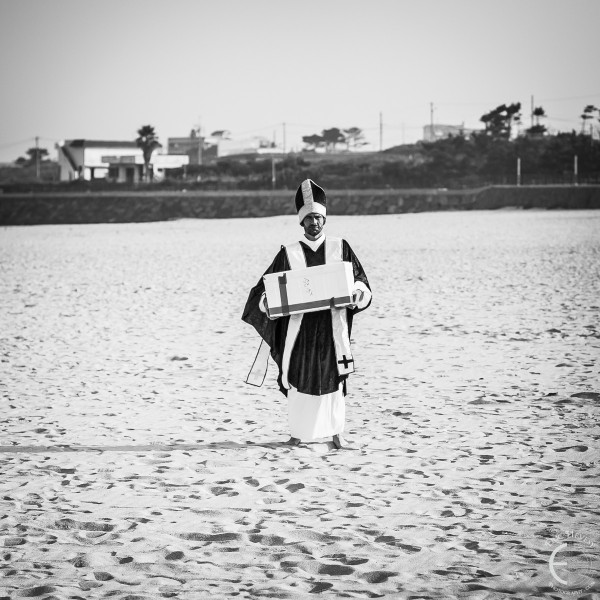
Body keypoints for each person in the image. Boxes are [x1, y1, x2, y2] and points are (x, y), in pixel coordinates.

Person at [242, 179, 372, 449]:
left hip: (332, 327)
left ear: (325, 219)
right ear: (301, 222)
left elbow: (360, 281)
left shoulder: (341, 247)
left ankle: (337, 435)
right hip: (299, 331)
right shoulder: (288, 253)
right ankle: (297, 435)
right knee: (299, 379)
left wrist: (358, 293)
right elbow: (264, 289)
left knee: (334, 379)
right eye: (309, 218)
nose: (314, 222)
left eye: (318, 217)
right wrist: (269, 302)